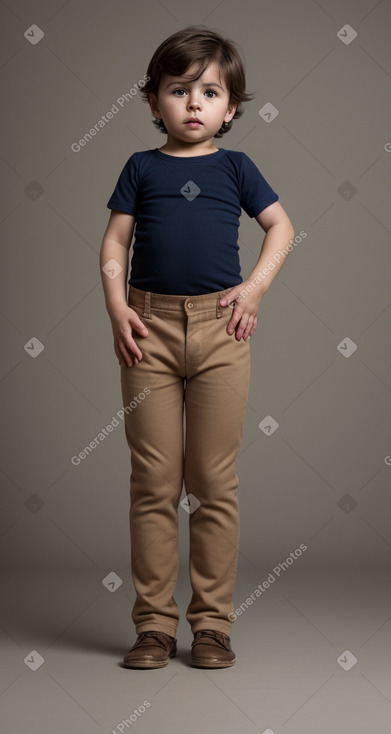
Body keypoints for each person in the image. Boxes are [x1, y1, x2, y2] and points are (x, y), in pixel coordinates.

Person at [100, 25, 295, 670]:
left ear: (231, 108)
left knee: (213, 481)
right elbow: (114, 247)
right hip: (148, 331)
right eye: (178, 90)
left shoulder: (236, 167)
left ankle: (211, 625)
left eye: (209, 92)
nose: (192, 103)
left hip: (221, 332)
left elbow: (281, 228)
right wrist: (118, 307)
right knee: (153, 481)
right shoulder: (141, 167)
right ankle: (154, 626)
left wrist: (254, 291)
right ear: (154, 100)